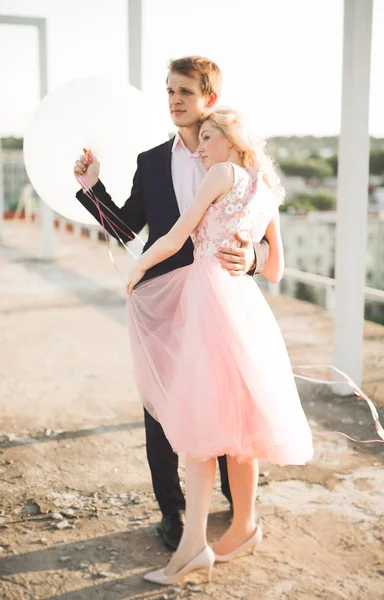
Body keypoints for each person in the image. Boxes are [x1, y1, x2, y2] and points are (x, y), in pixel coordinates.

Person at [73, 56, 270, 551]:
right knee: (160, 404)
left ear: (210, 99)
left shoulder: (234, 157)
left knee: (224, 395)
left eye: (184, 91)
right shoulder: (150, 161)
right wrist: (91, 187)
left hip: (217, 295)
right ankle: (172, 511)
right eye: (168, 91)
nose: (174, 100)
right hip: (162, 297)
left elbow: (263, 234)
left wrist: (251, 256)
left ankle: (232, 499)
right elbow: (128, 230)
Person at [125, 107, 314, 585]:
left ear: (231, 140)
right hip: (243, 307)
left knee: (201, 426)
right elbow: (275, 270)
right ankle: (244, 527)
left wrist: (135, 271)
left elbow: (174, 236)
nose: (201, 146)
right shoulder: (267, 188)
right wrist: (251, 253)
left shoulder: (222, 173)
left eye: (208, 137)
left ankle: (193, 550)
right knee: (236, 422)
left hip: (209, 301)